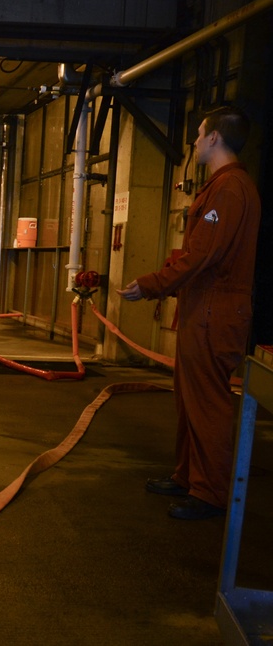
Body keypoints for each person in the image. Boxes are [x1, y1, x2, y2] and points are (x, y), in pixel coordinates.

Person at [118, 106, 261, 520]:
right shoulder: (221, 187)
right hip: (205, 309)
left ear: (215, 138)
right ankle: (188, 476)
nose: (194, 142)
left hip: (215, 312)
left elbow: (201, 256)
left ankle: (211, 493)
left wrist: (151, 284)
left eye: (199, 135)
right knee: (189, 397)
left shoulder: (230, 190)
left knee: (208, 403)